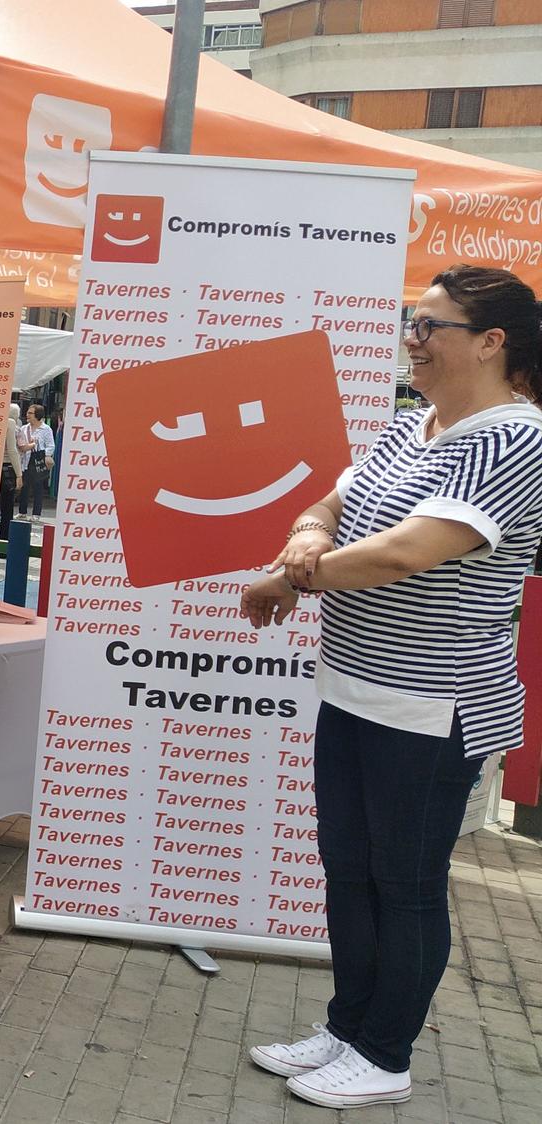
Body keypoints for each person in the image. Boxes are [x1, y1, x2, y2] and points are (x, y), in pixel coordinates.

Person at [240, 266, 542, 1110]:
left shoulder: (516, 438)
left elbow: (410, 549)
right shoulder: (412, 424)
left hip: (434, 705)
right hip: (353, 687)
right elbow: (328, 506)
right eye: (413, 322)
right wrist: (300, 542)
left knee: (403, 883)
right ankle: (347, 1029)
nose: (413, 338)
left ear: (491, 343)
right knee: (349, 870)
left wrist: (291, 581)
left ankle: (386, 1053)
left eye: (430, 325)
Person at [20, 403, 54, 517]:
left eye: (30, 413)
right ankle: (22, 512)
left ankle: (36, 514)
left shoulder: (46, 429)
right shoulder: (24, 428)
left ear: (37, 415)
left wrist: (45, 454)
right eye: (27, 412)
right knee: (24, 487)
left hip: (38, 460)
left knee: (38, 487)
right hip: (25, 459)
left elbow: (51, 445)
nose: (27, 415)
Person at [0, 401, 24, 539]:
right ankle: (3, 541)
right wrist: (19, 474)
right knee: (7, 509)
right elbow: (12, 450)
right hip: (7, 469)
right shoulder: (10, 423)